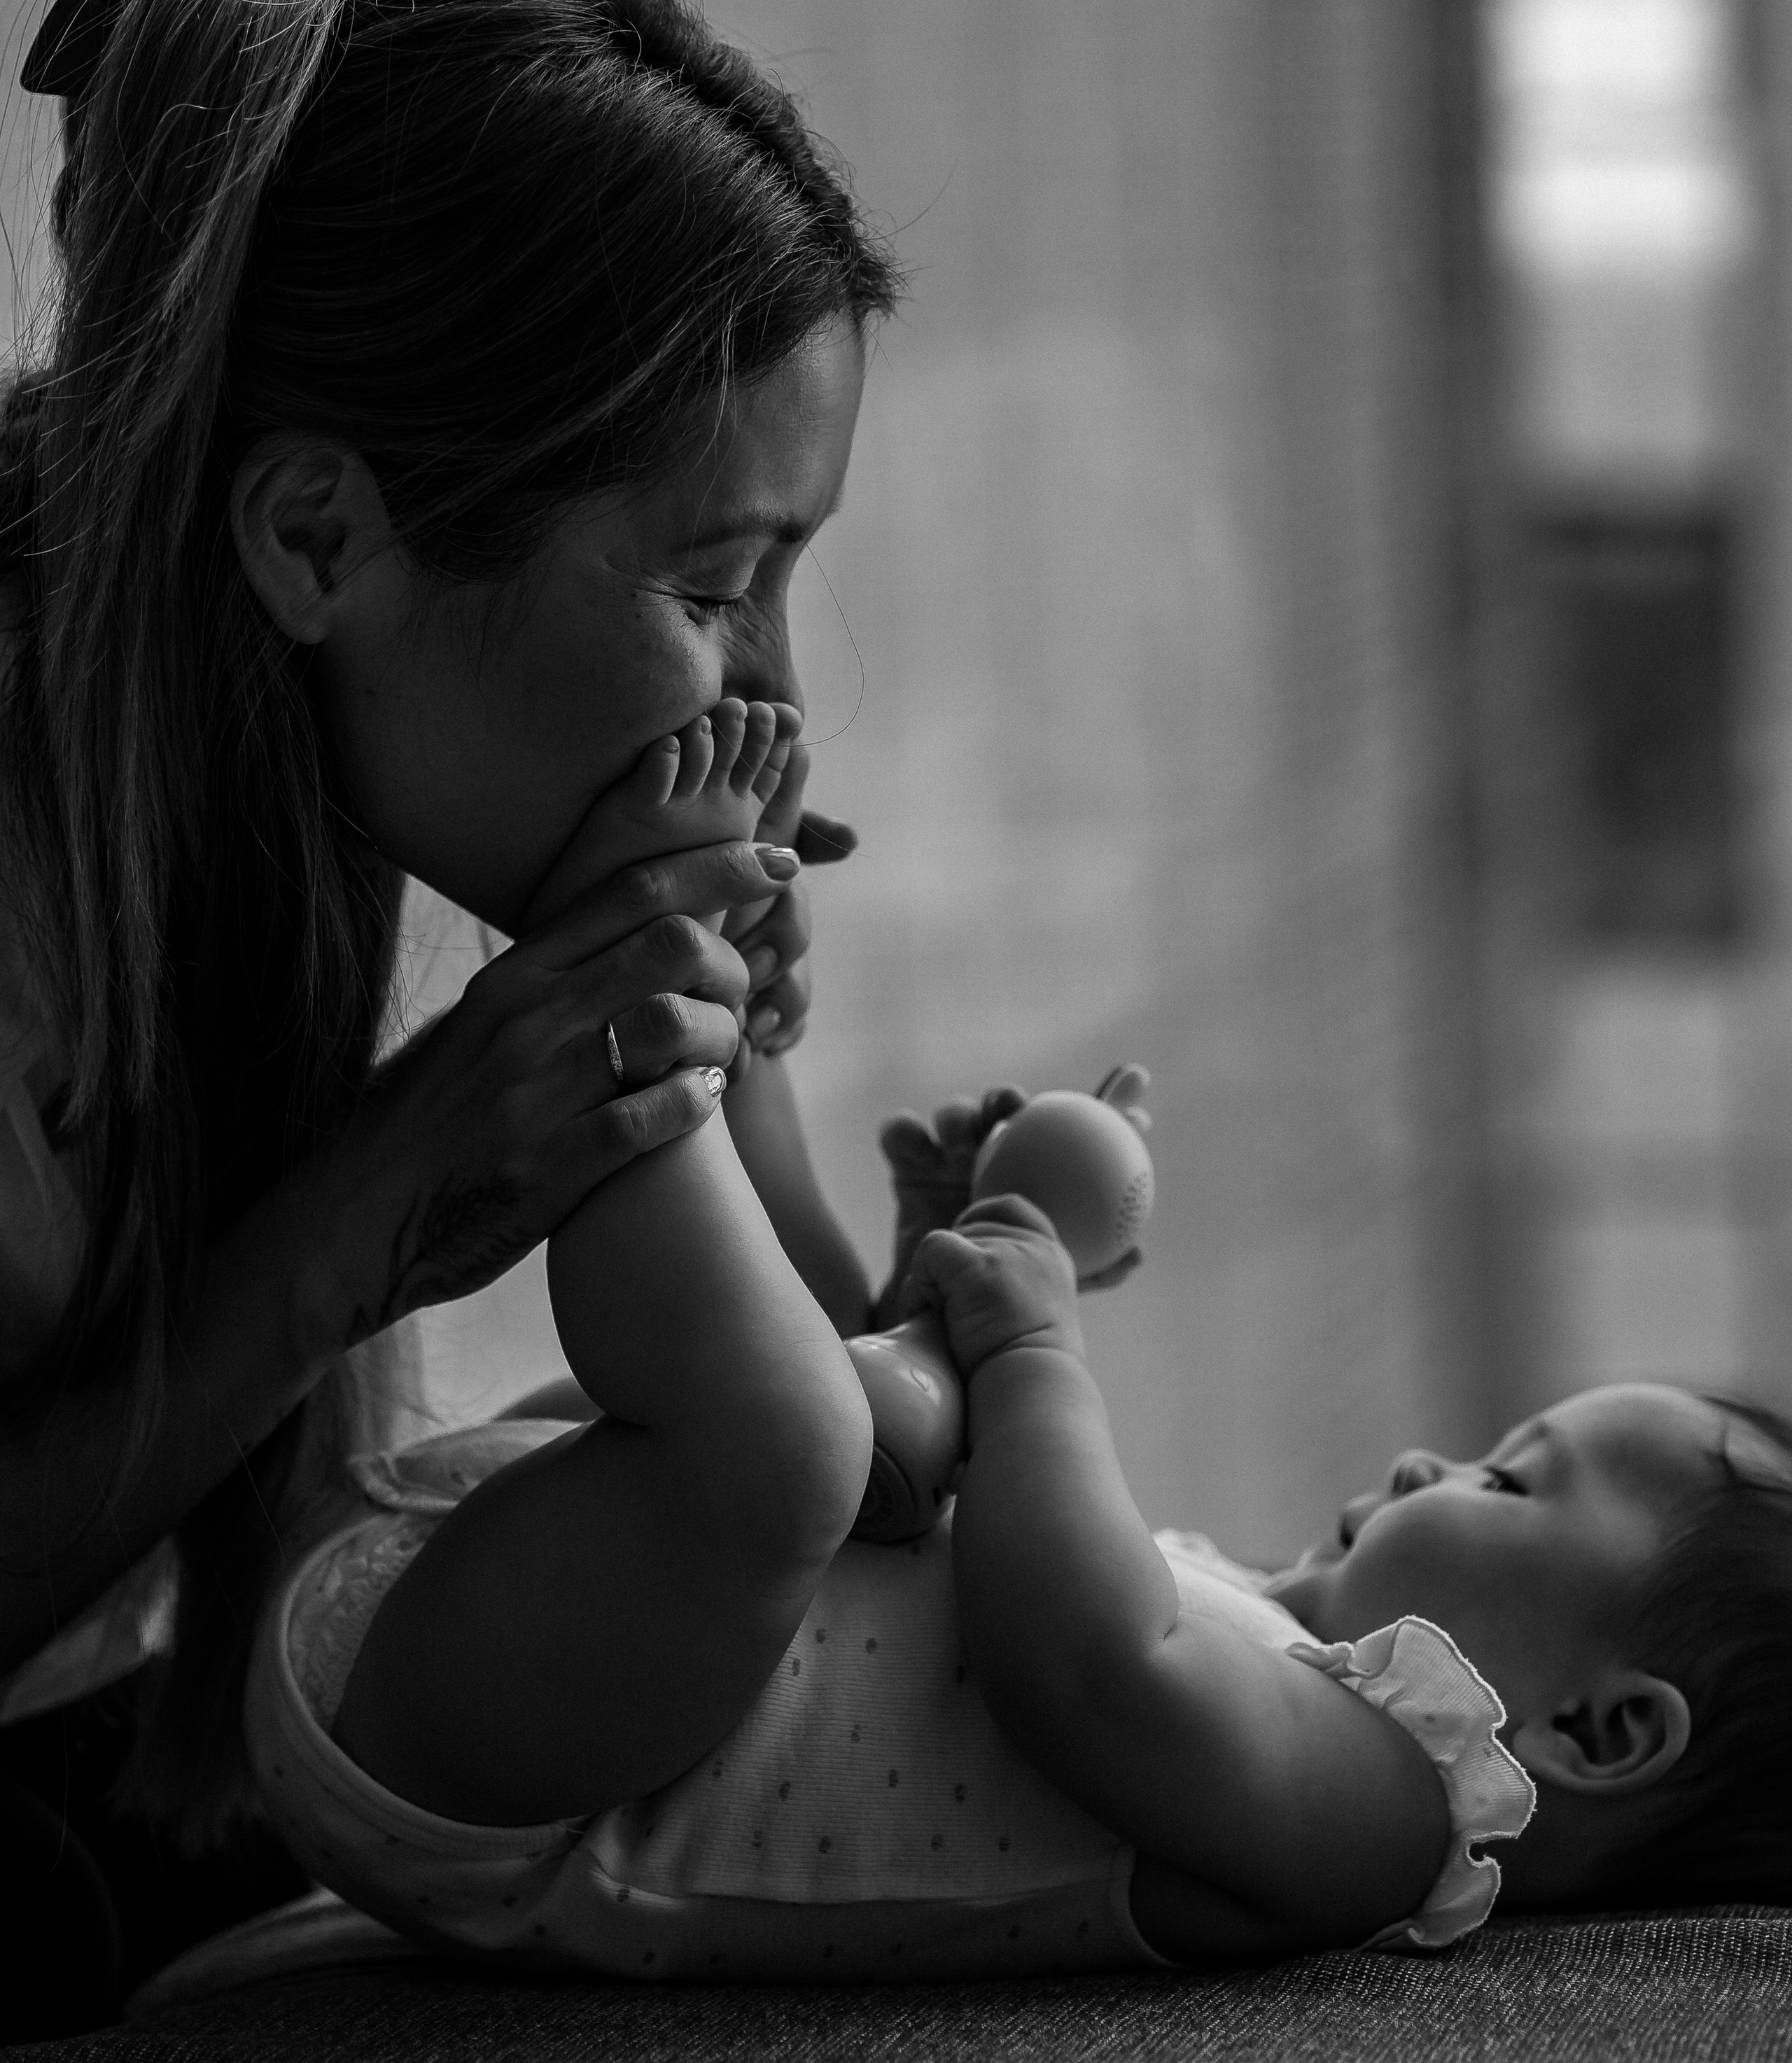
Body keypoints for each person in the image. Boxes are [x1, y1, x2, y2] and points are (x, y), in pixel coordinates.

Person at [246, 713, 1792, 1982]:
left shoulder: (1385, 1816)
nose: (1419, 1457)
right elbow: (951, 1557)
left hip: (523, 1764)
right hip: (546, 1579)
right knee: (839, 1416)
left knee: (784, 1444)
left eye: (1506, 1482)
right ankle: (736, 1025)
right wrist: (954, 1272)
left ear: (1599, 1733)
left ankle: (635, 990)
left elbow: (1088, 1667)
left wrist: (1036, 1355)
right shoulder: (1267, 1635)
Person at [0, 0, 900, 2036]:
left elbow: (839, 1455)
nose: (770, 691)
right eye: (714, 587)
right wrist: (368, 1215)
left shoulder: (250, 753)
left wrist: (720, 1058)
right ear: (318, 537)